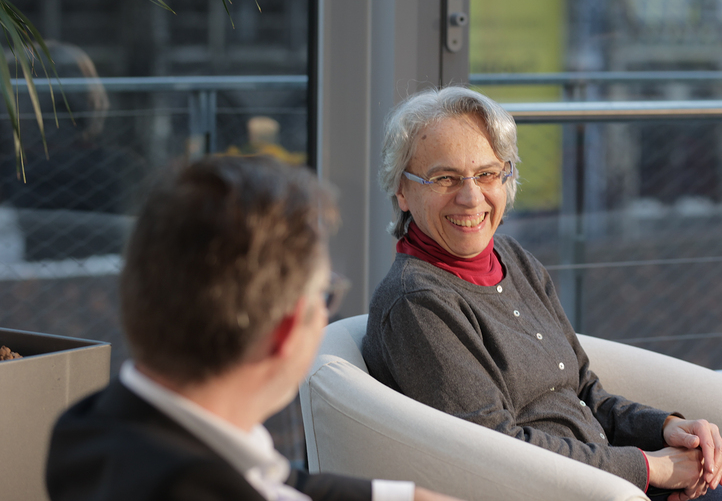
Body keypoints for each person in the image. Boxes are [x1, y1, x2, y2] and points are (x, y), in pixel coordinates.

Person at [361, 87, 722, 501]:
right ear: (402, 190)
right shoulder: (417, 302)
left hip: (615, 482)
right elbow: (494, 447)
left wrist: (666, 428)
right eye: (445, 178)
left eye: (486, 174)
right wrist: (652, 468)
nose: (471, 197)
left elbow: (584, 392)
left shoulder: (513, 259)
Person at [46, 156, 462, 501]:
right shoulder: (194, 485)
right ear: (284, 330)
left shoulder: (89, 427)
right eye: (324, 295)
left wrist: (403, 496)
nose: (326, 315)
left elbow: (273, 479)